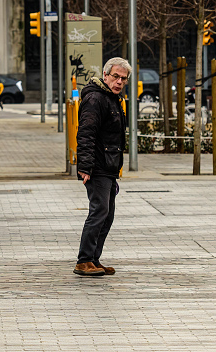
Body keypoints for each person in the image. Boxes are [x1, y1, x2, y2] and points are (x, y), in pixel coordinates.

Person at [74, 57, 130, 276]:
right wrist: (85, 166)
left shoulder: (111, 98)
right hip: (97, 165)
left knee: (107, 214)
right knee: (99, 211)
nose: (119, 81)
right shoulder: (96, 98)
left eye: (123, 79)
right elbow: (86, 133)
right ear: (105, 75)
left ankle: (94, 259)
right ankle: (84, 260)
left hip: (108, 165)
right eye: (115, 76)